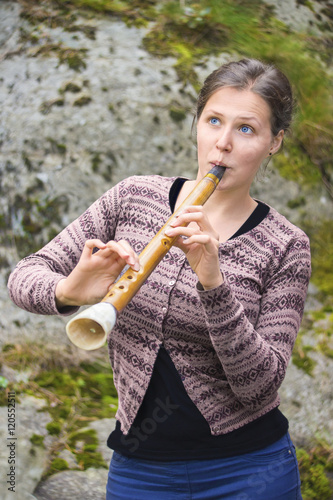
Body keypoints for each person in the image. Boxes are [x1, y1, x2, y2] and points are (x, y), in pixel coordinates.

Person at [8, 58, 311, 499]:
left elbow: (259, 386)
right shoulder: (134, 197)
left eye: (246, 129)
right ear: (197, 123)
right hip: (140, 469)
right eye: (213, 121)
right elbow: (23, 275)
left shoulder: (286, 245)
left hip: (250, 470)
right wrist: (70, 289)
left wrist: (213, 282)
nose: (221, 145)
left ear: (274, 142)